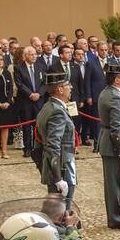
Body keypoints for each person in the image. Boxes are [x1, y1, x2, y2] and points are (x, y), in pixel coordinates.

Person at [99, 64, 120, 230]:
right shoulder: (114, 97)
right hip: (114, 147)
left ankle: (117, 216)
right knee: (114, 185)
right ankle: (116, 218)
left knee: (115, 183)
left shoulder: (110, 92)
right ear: (116, 79)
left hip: (111, 144)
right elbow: (116, 128)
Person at [36, 70, 78, 209]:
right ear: (60, 89)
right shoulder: (57, 111)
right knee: (62, 210)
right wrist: (59, 178)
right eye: (68, 85)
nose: (70, 87)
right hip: (62, 166)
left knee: (58, 208)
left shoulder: (49, 106)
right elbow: (53, 145)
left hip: (59, 164)